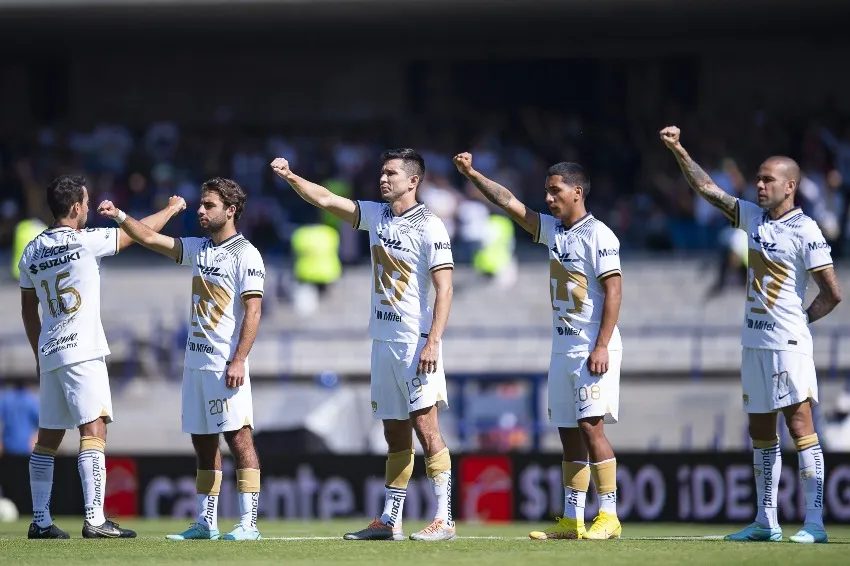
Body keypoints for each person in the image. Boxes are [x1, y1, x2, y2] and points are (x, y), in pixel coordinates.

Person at [660, 126, 842, 544]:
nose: (758, 186)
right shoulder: (753, 217)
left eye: (767, 180)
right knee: (761, 434)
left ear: (790, 186)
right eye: (758, 179)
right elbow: (707, 189)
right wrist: (678, 149)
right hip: (754, 343)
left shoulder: (806, 230)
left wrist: (798, 323)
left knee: (801, 427)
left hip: (787, 346)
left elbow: (832, 294)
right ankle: (767, 522)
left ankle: (814, 523)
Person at [271, 149, 457, 542]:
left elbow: (444, 288)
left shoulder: (431, 226)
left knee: (426, 427)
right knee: (394, 434)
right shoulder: (377, 215)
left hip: (415, 343)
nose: (383, 179)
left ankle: (445, 517)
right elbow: (324, 198)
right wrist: (291, 176)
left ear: (413, 181)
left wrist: (433, 341)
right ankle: (391, 521)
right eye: (382, 172)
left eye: (391, 173)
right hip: (383, 342)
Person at [454, 152, 624, 540]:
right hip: (562, 347)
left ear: (577, 192)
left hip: (591, 346)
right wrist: (473, 173)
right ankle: (572, 519)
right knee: (567, 431)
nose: (548, 198)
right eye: (546, 191)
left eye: (555, 191)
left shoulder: (600, 234)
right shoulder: (554, 231)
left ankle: (610, 515)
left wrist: (600, 346)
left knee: (590, 425)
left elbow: (614, 292)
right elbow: (507, 202)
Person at [97, 178, 266, 542]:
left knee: (239, 440)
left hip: (225, 366)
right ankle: (206, 522)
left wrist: (239, 359)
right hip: (194, 365)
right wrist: (120, 216)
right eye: (201, 205)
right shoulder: (199, 248)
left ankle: (249, 523)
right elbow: (150, 239)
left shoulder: (246, 254)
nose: (201, 211)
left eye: (209, 205)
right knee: (203, 443)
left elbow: (253, 311)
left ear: (230, 210)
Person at [19, 175, 182, 539]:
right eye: (87, 203)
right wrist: (171, 210)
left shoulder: (30, 250)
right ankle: (94, 519)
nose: (89, 208)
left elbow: (28, 310)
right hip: (82, 348)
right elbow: (137, 235)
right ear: (76, 207)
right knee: (94, 429)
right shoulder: (84, 242)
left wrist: (38, 353)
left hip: (50, 351)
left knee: (47, 438)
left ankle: (40, 521)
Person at [0, 379, 39, 456]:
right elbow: (40, 421)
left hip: (8, 444)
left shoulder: (6, 399)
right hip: (25, 446)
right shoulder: (31, 401)